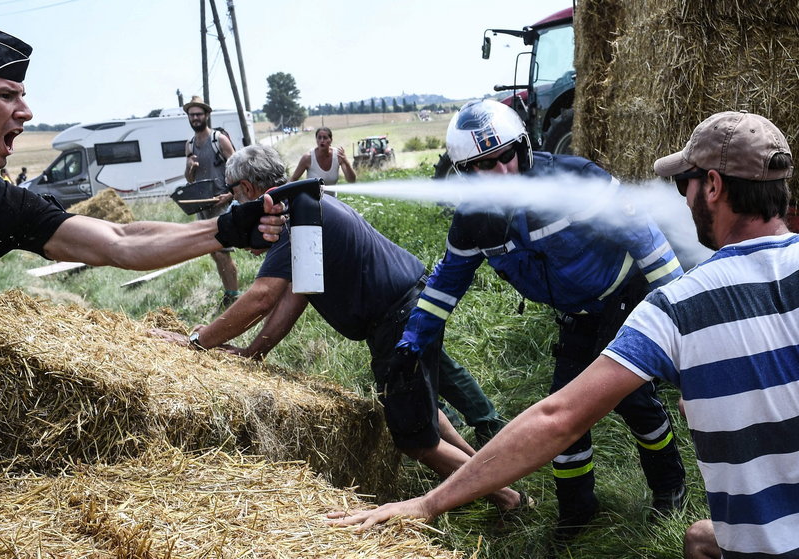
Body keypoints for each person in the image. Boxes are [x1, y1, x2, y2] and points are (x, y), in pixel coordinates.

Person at [329, 110, 797, 558]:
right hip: (576, 311)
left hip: (624, 295)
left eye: (505, 156)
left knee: (634, 400)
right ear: (463, 172)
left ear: (524, 150)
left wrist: (697, 323)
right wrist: (413, 339)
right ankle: (577, 511)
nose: (499, 172)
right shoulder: (474, 221)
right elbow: (446, 285)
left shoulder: (576, 181)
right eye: (481, 165)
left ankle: (668, 489)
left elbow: (648, 243)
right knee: (566, 405)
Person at [0, 20, 286, 477]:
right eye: (6, 95)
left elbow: (120, 242)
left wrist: (229, 229)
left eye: (23, 95)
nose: (26, 111)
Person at [151, 144, 523, 508]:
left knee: (415, 440)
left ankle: (506, 497)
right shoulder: (303, 203)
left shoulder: (293, 214)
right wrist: (253, 352)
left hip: (398, 317)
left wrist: (197, 342)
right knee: (420, 408)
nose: (234, 202)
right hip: (408, 307)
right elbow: (298, 293)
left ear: (246, 189)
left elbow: (263, 296)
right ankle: (490, 471)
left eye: (233, 194)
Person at [184, 95, 241, 311]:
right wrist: (190, 167)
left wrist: (230, 195)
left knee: (222, 251)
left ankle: (233, 297)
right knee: (214, 252)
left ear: (207, 115)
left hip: (222, 203)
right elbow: (189, 179)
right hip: (203, 205)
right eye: (192, 115)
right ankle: (229, 293)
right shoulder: (189, 144)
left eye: (199, 114)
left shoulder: (219, 140)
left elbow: (238, 168)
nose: (196, 118)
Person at [290, 127, 356, 195]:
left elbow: (352, 180)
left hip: (332, 200)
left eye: (325, 138)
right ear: (316, 140)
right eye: (319, 138)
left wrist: (346, 162)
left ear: (331, 140)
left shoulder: (338, 156)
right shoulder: (307, 158)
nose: (322, 140)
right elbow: (293, 179)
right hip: (312, 201)